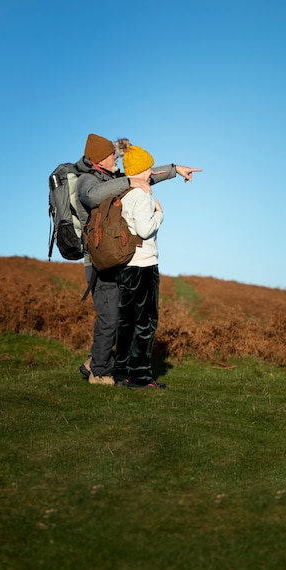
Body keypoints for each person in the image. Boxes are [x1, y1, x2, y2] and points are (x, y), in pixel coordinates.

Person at [75, 133, 201, 385]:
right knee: (113, 317)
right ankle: (99, 371)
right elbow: (93, 196)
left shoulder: (117, 178)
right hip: (99, 259)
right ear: (100, 159)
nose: (116, 158)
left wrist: (175, 170)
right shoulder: (86, 181)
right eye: (112, 155)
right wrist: (134, 183)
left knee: (122, 317)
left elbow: (145, 174)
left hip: (118, 257)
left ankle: (101, 362)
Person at [113, 145, 165, 389]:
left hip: (126, 265)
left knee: (126, 321)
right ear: (141, 170)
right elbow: (145, 230)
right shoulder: (142, 196)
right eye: (149, 167)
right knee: (145, 322)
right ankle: (140, 376)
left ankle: (121, 372)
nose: (152, 170)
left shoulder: (124, 194)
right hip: (144, 266)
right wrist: (160, 214)